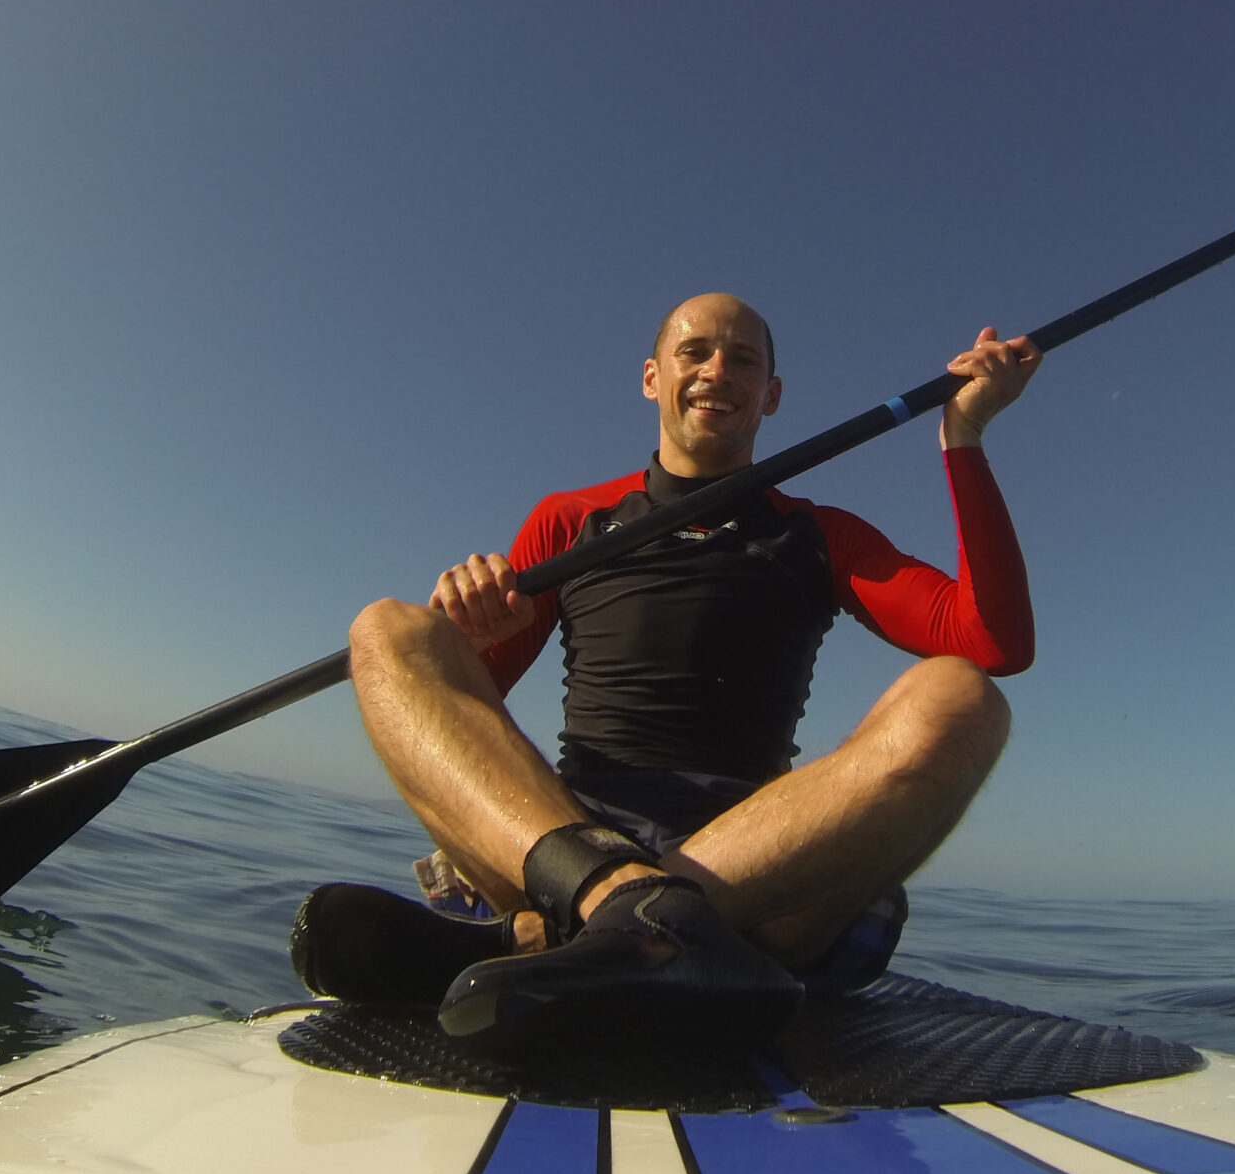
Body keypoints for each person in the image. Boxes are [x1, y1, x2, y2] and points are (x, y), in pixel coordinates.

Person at [294, 292, 1039, 1057]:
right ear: (653, 378)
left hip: (757, 875)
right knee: (388, 630)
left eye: (743, 359)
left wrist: (964, 436)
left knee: (964, 697)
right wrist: (476, 639)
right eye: (695, 352)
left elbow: (992, 643)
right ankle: (623, 916)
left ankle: (550, 936)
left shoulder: (820, 535)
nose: (717, 370)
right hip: (571, 842)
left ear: (771, 395)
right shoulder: (570, 521)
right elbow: (460, 717)